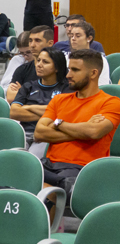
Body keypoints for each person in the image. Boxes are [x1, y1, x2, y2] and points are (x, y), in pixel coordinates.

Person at [34, 50, 120, 195]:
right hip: (48, 165)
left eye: (75, 70)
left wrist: (58, 123)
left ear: (93, 73)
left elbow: (93, 132)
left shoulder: (111, 103)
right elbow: (39, 133)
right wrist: (82, 130)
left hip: (81, 170)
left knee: (44, 189)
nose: (68, 75)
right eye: (69, 69)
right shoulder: (59, 100)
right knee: (14, 173)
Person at [9, 48, 68, 150]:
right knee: (10, 155)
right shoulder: (28, 86)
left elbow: (64, 113)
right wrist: (51, 113)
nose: (39, 65)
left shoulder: (66, 89)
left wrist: (28, 107)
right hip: (24, 134)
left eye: (45, 62)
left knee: (33, 157)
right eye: (38, 60)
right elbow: (14, 113)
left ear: (57, 68)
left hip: (48, 135)